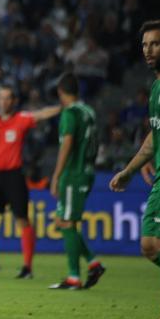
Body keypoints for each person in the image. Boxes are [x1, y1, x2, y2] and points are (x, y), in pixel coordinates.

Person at [109, 19, 160, 319]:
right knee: (150, 245)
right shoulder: (158, 87)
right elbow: (155, 135)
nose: (148, 50)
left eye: (156, 44)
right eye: (145, 44)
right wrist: (130, 169)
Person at [0, 85, 60, 279]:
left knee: (22, 220)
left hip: (14, 175)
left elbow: (42, 114)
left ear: (14, 101)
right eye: (1, 98)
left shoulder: (21, 119)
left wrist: (63, 106)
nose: (4, 102)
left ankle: (27, 267)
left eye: (7, 98)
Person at [49, 73, 106, 289]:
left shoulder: (69, 114)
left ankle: (74, 276)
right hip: (88, 169)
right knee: (63, 221)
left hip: (74, 173)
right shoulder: (88, 111)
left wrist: (56, 175)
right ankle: (93, 263)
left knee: (67, 222)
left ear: (60, 92)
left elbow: (67, 145)